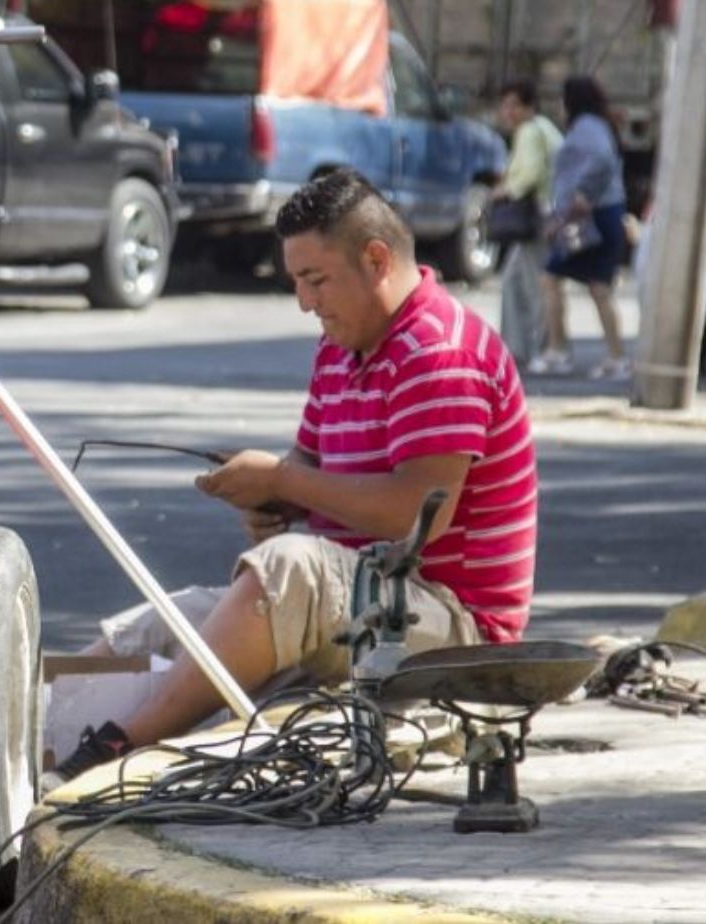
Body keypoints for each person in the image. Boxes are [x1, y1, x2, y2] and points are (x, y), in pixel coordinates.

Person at [46, 170, 538, 789]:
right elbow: (307, 468)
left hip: (453, 624)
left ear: (377, 260)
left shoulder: (439, 354)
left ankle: (113, 756)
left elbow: (412, 516)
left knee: (288, 570)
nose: (306, 302)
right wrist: (271, 497)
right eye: (297, 283)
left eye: (316, 280)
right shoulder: (340, 346)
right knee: (167, 623)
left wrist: (283, 480)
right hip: (355, 596)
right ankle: (6, 746)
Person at [533, 76, 629, 380]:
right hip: (602, 214)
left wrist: (583, 193)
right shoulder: (597, 124)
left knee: (553, 279)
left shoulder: (587, 125)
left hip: (593, 216)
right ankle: (615, 356)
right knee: (598, 287)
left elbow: (601, 159)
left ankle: (559, 351)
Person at [492, 80, 562, 367]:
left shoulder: (529, 132)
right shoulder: (544, 128)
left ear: (528, 107)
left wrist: (505, 190)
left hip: (535, 219)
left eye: (514, 105)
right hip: (545, 217)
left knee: (533, 285)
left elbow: (531, 174)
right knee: (513, 280)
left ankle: (537, 349)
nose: (508, 112)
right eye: (505, 105)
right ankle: (517, 348)